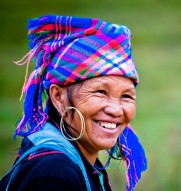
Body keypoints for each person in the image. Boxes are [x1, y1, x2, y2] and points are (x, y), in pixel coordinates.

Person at [0, 15, 147, 191]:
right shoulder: (53, 175)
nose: (116, 110)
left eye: (126, 96)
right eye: (100, 92)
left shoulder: (75, 162)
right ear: (58, 97)